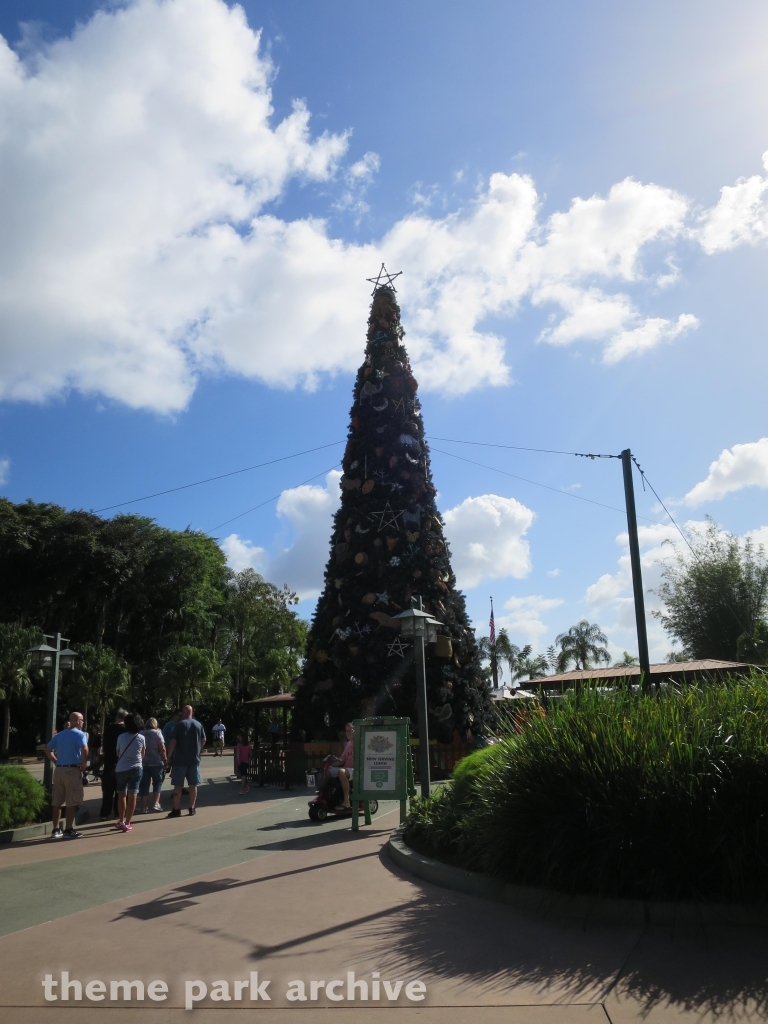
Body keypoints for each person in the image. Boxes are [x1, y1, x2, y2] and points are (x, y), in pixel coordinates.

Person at [45, 711, 89, 839]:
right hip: (72, 770)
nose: (82, 722)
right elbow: (85, 749)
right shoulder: (80, 734)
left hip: (59, 770)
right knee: (72, 801)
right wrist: (84, 763)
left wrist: (55, 761)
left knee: (57, 801)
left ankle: (55, 829)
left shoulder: (60, 735)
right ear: (77, 721)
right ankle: (68, 829)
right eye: (81, 720)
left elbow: (47, 749)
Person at [166, 705, 206, 817]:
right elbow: (204, 739)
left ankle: (176, 809)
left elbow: (173, 742)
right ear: (192, 713)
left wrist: (169, 756)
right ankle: (191, 808)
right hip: (194, 760)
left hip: (180, 760)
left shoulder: (179, 726)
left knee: (178, 786)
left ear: (183, 713)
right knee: (193, 785)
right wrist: (198, 749)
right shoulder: (198, 725)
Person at [114, 713, 145, 833]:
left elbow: (118, 752)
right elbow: (143, 754)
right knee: (133, 794)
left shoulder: (121, 737)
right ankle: (128, 823)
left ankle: (121, 820)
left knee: (122, 794)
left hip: (121, 768)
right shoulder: (141, 737)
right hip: (136, 767)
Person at [99, 709, 126, 820]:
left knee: (108, 790)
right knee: (121, 790)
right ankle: (118, 811)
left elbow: (104, 748)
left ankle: (105, 813)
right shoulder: (126, 730)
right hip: (122, 762)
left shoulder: (108, 729)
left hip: (109, 762)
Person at [138, 718, 167, 813]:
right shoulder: (158, 733)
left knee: (144, 784)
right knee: (157, 783)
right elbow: (162, 748)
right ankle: (156, 804)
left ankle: (144, 807)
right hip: (156, 761)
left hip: (144, 762)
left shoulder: (141, 733)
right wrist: (165, 759)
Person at [328, 721, 355, 810]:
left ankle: (346, 802)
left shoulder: (359, 742)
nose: (348, 733)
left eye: (350, 730)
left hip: (356, 769)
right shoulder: (348, 744)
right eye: (347, 731)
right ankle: (327, 797)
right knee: (328, 771)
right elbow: (341, 760)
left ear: (354, 730)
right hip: (347, 769)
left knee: (341, 771)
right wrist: (330, 764)